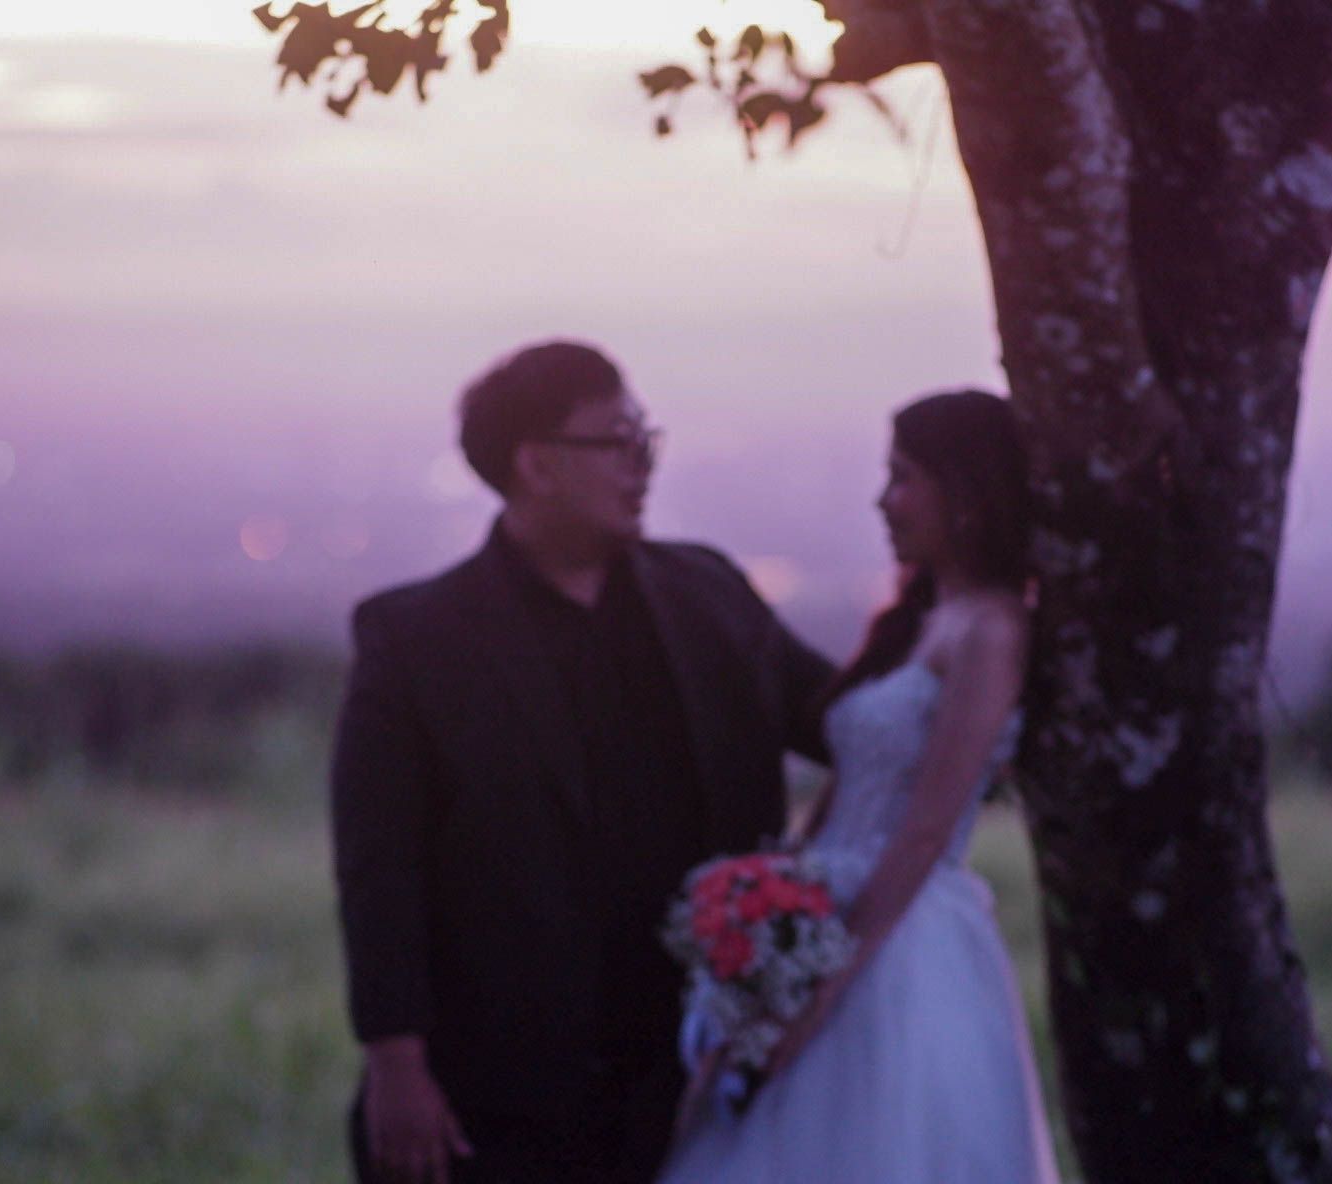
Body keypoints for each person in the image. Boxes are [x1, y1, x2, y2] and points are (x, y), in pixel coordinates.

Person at [330, 340, 833, 1184]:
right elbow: (379, 866)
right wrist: (396, 1065)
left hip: (699, 1070)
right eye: (618, 441)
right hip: (500, 1087)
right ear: (537, 465)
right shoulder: (416, 641)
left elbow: (843, 722)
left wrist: (972, 641)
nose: (643, 465)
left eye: (647, 440)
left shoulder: (707, 594)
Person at [659, 390, 1063, 1183]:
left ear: (967, 491)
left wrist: (821, 995)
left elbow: (924, 830)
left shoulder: (991, 630)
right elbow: (840, 795)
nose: (884, 501)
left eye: (903, 477)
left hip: (900, 938)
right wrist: (767, 909)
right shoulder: (913, 623)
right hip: (820, 912)